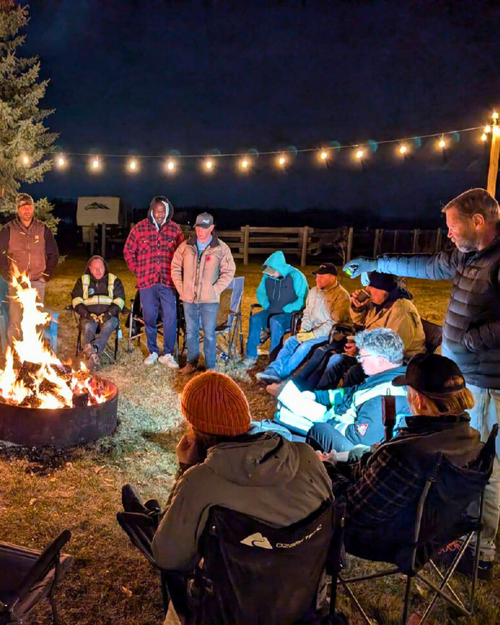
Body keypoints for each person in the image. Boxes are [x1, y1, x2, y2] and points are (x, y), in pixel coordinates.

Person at [344, 187, 500, 575]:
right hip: (464, 374)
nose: (448, 233)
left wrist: (470, 340)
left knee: (480, 463)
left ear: (478, 221)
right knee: (454, 458)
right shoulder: (467, 255)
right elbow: (426, 265)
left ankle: (479, 549)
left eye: (452, 226)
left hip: (486, 379)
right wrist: (377, 262)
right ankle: (450, 527)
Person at [151, 371, 333, 576]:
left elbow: (168, 557)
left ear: (197, 430)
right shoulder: (306, 456)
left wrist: (185, 469)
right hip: (306, 585)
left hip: (235, 593)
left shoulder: (199, 482)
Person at [318, 353, 483, 568]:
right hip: (434, 533)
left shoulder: (407, 451)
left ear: (419, 400)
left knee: (310, 471)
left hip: (385, 538)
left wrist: (326, 468)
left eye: (408, 391)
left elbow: (352, 512)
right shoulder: (471, 438)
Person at [291, 271, 425, 392]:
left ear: (385, 291)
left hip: (397, 362)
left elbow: (393, 348)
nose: (367, 290)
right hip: (374, 353)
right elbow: (361, 321)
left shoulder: (401, 311)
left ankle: (344, 403)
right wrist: (357, 308)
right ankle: (316, 393)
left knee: (354, 371)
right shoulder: (380, 304)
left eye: (372, 288)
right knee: (334, 358)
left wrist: (361, 349)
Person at [275, 328, 409, 445]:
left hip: (334, 437)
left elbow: (359, 439)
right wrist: (316, 396)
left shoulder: (384, 398)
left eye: (362, 357)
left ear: (380, 360)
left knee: (280, 426)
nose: (360, 360)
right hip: (331, 421)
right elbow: (351, 393)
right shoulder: (384, 379)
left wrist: (324, 422)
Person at [255, 263, 349, 384]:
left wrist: (312, 335)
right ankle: (273, 370)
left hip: (331, 334)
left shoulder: (342, 296)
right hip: (312, 330)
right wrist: (304, 329)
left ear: (332, 278)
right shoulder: (313, 291)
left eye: (321, 277)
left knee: (305, 346)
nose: (317, 279)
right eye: (317, 276)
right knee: (290, 341)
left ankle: (281, 373)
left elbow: (333, 323)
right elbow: (307, 313)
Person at [171, 213, 236, 374]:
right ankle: (191, 363)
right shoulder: (186, 246)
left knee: (209, 334)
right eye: (198, 227)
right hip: (189, 298)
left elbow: (229, 271)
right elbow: (175, 266)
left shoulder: (221, 248)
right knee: (191, 332)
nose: (200, 231)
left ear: (212, 228)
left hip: (209, 300)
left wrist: (215, 289)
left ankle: (210, 366)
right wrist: (181, 287)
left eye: (205, 228)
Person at [124, 195, 184, 367]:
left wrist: (178, 273)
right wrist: (137, 269)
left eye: (163, 211)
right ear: (152, 211)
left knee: (170, 316)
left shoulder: (175, 230)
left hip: (168, 281)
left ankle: (168, 353)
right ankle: (153, 351)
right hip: (147, 282)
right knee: (149, 316)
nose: (160, 214)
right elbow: (128, 250)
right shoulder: (139, 228)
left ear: (167, 212)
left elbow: (182, 253)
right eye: (157, 211)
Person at [0, 193, 59, 343]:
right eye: (23, 207)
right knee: (15, 320)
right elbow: (1, 254)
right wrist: (9, 276)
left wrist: (46, 275)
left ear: (33, 208)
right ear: (18, 210)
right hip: (17, 284)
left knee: (36, 320)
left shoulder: (42, 229)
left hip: (37, 282)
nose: (27, 210)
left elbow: (53, 254)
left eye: (29, 206)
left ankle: (35, 352)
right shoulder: (8, 229)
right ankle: (14, 352)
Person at [244, 251, 308, 365]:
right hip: (272, 310)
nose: (270, 275)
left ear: (280, 268)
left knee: (276, 322)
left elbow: (303, 298)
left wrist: (287, 308)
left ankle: (274, 359)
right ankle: (250, 357)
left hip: (291, 314)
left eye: (272, 271)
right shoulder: (267, 277)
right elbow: (261, 293)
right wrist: (266, 305)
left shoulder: (296, 276)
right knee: (255, 319)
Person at [71, 256, 125, 370]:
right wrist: (86, 314)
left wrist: (108, 314)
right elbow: (76, 300)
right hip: (88, 316)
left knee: (109, 324)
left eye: (101, 267)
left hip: (109, 317)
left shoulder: (114, 280)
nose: (98, 271)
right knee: (88, 326)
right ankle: (92, 356)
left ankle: (92, 351)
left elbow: (120, 300)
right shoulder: (83, 281)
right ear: (90, 269)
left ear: (104, 267)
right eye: (95, 268)